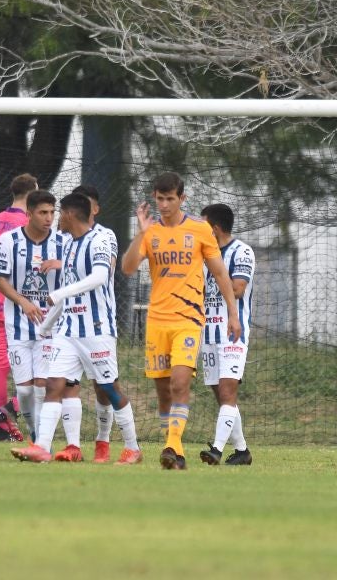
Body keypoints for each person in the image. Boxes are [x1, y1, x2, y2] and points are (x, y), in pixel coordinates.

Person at [122, 172, 241, 471]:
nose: (163, 204)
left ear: (182, 198)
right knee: (163, 391)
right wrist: (140, 232)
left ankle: (172, 445)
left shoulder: (200, 230)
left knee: (180, 382)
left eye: (170, 199)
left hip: (188, 319)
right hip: (157, 320)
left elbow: (220, 273)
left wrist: (232, 313)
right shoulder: (150, 233)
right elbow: (127, 268)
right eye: (159, 199)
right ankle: (175, 453)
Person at [12, 193, 142, 464]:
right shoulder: (69, 244)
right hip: (68, 331)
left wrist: (59, 294)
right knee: (53, 385)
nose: (56, 219)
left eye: (59, 213)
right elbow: (69, 293)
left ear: (70, 214)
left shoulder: (101, 239)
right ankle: (41, 447)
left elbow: (99, 276)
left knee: (109, 388)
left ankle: (133, 448)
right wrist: (46, 325)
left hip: (96, 329)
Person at [0, 190, 62, 442]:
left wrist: (61, 264)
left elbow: (81, 272)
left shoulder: (62, 241)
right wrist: (23, 301)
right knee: (24, 391)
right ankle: (33, 430)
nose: (49, 218)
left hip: (50, 325)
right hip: (18, 325)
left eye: (53, 212)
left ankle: (42, 441)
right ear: (29, 214)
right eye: (43, 212)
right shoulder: (9, 240)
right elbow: (0, 281)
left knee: (42, 387)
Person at [0, 173, 38, 441]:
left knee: (1, 367)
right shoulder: (29, 224)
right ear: (33, 193)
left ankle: (3, 427)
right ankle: (11, 409)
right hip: (23, 307)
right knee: (39, 371)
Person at [71, 185, 125, 463]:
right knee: (61, 383)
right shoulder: (65, 237)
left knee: (103, 386)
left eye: (88, 204)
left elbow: (107, 269)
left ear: (95, 209)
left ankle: (103, 440)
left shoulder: (105, 236)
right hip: (67, 323)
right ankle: (65, 445)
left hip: (98, 320)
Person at [198, 204, 254, 465]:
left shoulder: (241, 251)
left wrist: (216, 269)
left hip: (232, 331)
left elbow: (238, 288)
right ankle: (242, 451)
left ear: (216, 228)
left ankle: (217, 450)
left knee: (229, 392)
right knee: (220, 394)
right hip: (206, 332)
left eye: (204, 225)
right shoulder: (202, 254)